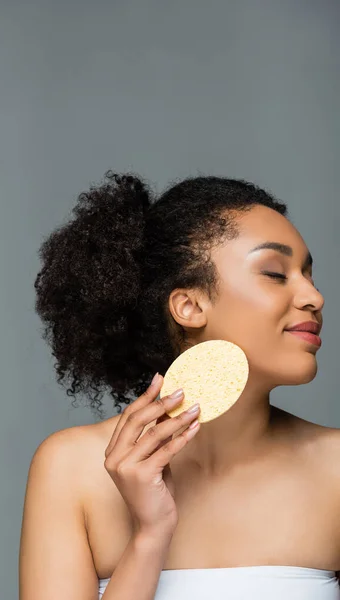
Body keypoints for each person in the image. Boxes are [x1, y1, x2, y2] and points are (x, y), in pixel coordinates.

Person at [19, 172, 340, 599]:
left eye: (309, 275)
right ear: (189, 306)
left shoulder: (334, 471)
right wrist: (150, 535)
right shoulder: (73, 470)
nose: (314, 297)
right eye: (276, 273)